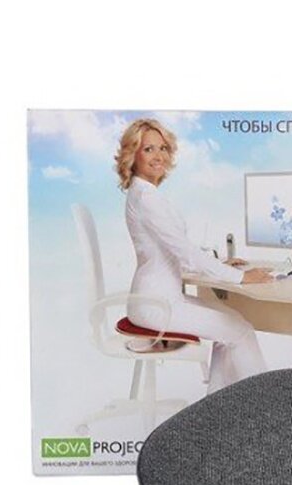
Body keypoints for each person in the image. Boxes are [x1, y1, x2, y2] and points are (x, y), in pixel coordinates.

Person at [115, 118, 271, 393]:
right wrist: (241, 277)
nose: (158, 156)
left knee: (233, 326)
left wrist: (218, 263)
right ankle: (265, 405)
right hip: (157, 306)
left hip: (159, 299)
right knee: (240, 331)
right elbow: (185, 252)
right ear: (133, 155)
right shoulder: (147, 198)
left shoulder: (145, 194)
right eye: (149, 149)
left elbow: (175, 248)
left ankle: (218, 407)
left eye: (163, 148)